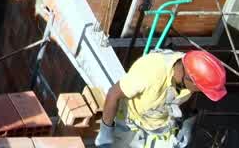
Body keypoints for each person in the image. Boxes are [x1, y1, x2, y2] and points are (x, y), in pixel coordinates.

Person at [96, 50, 227, 148]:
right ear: (187, 77)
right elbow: (113, 94)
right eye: (201, 89)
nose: (201, 92)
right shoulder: (150, 71)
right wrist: (105, 132)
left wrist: (185, 124)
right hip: (130, 120)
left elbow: (184, 101)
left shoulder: (190, 72)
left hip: (159, 124)